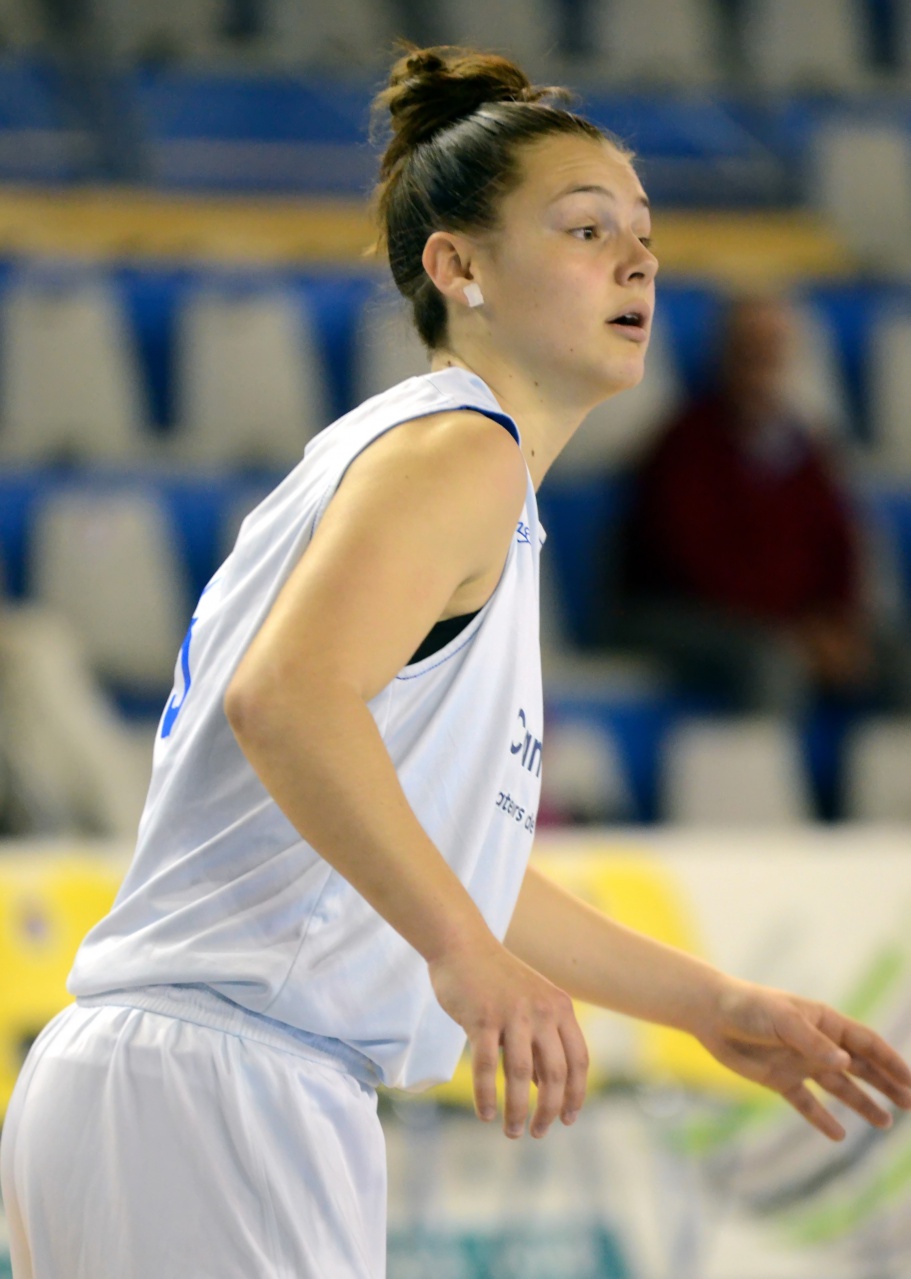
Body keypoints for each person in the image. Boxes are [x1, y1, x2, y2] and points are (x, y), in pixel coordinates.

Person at [2, 44, 910, 1279]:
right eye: (585, 228)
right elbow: (288, 702)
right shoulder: (459, 453)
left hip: (192, 1084)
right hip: (220, 1082)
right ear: (457, 266)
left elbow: (457, 859)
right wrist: (461, 955)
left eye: (642, 233)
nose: (637, 260)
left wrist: (711, 1004)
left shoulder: (431, 465)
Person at [605, 293, 911, 716]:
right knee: (772, 662)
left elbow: (839, 551)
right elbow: (693, 566)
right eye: (748, 347)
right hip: (682, 614)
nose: (760, 360)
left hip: (785, 622)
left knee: (896, 658)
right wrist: (797, 629)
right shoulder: (682, 446)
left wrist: (835, 623)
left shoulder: (807, 451)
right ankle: (760, 756)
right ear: (724, 354)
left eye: (771, 348)